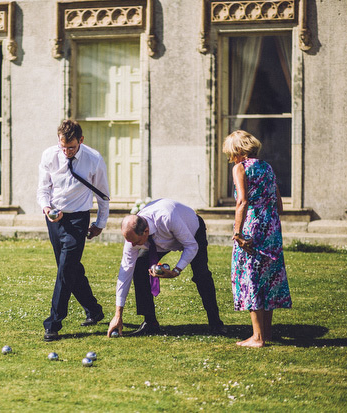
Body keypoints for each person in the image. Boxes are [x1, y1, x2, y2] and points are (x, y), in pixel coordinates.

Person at [107, 198, 225, 337]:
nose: (133, 246)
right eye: (130, 242)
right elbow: (125, 270)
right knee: (139, 268)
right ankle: (150, 323)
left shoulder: (167, 217)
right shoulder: (134, 237)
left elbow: (191, 246)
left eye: (136, 242)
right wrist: (118, 314)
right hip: (161, 240)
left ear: (145, 231)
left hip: (192, 231)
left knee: (201, 275)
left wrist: (176, 270)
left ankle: (216, 323)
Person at [37, 119, 110, 342]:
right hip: (54, 218)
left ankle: (53, 324)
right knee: (70, 269)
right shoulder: (49, 155)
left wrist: (99, 223)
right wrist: (47, 208)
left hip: (78, 219)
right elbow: (43, 189)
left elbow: (103, 196)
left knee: (66, 269)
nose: (67, 151)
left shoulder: (94, 159)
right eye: (63, 147)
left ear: (81, 140)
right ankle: (94, 310)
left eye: (72, 147)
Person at [222, 130, 291, 347]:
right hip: (271, 226)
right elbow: (279, 204)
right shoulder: (267, 167)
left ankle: (257, 338)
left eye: (231, 153)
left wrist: (237, 232)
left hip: (252, 226)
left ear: (238, 151)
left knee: (250, 276)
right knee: (269, 278)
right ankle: (266, 333)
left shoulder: (240, 168)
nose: (231, 158)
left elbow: (242, 201)